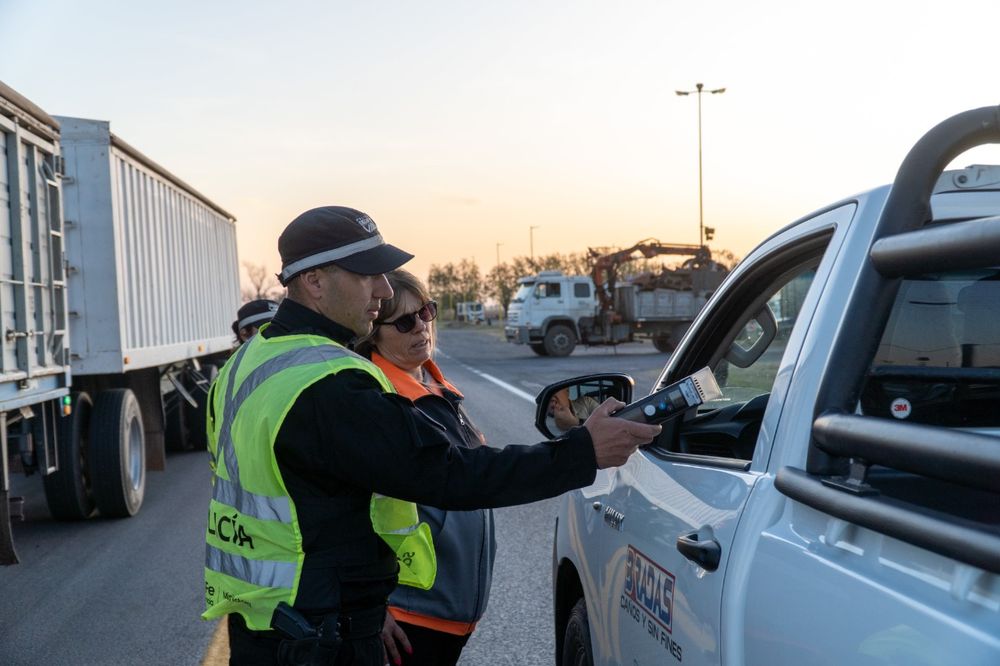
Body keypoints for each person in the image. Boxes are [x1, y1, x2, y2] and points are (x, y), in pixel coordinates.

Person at [201, 205, 661, 666]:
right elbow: (449, 475)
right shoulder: (327, 382)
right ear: (315, 282)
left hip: (265, 624)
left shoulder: (250, 362)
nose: (383, 289)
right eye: (368, 274)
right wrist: (582, 452)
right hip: (319, 638)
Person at [353, 270, 491, 666]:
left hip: (449, 611)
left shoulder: (437, 390)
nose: (422, 327)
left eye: (426, 312)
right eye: (404, 321)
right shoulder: (381, 401)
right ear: (373, 334)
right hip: (407, 617)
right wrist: (372, 608)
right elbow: (344, 511)